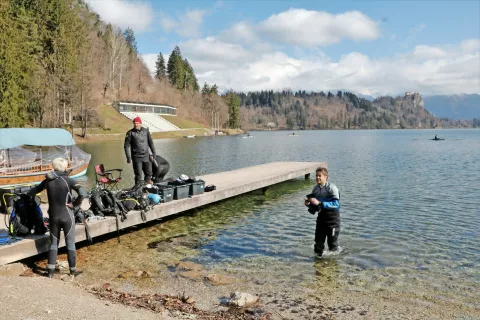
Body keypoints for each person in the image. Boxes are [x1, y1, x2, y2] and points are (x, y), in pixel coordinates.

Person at [28, 158, 87, 278]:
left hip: (53, 217)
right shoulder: (69, 180)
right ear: (64, 167)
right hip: (67, 215)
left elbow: (32, 191)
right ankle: (73, 271)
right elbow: (83, 193)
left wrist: (32, 202)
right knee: (70, 243)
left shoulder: (47, 181)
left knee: (53, 243)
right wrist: (74, 204)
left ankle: (50, 272)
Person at [304, 167, 341, 257]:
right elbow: (315, 206)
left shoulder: (332, 188)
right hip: (321, 220)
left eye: (320, 176)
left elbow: (336, 205)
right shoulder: (315, 189)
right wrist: (308, 204)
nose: (317, 178)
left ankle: (332, 265)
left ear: (326, 177)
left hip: (333, 221)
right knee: (318, 245)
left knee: (332, 247)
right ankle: (317, 264)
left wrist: (320, 202)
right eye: (316, 176)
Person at [124, 116, 156, 185]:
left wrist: (154, 153)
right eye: (135, 123)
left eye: (137, 123)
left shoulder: (146, 131)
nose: (136, 124)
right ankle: (137, 189)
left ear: (140, 123)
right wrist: (128, 157)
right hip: (136, 157)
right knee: (138, 175)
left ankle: (146, 187)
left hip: (146, 156)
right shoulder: (130, 133)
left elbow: (151, 143)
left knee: (149, 173)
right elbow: (126, 146)